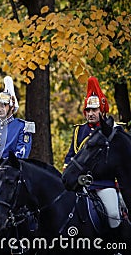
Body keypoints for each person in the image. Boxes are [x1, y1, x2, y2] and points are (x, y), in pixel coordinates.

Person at [64, 76, 121, 229]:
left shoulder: (113, 131)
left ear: (102, 111)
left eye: (94, 110)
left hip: (103, 183)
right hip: (79, 185)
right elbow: (70, 155)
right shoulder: (79, 131)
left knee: (114, 215)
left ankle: (116, 247)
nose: (90, 113)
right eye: (87, 110)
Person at [0, 76, 35, 181]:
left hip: (10, 176)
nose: (0, 109)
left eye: (3, 106)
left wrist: (1, 169)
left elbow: (21, 154)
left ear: (11, 107)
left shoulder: (22, 127)